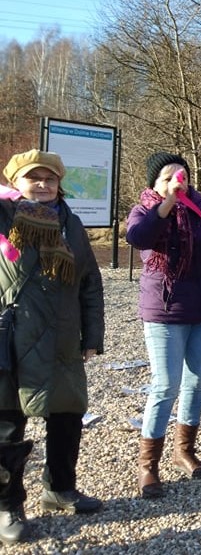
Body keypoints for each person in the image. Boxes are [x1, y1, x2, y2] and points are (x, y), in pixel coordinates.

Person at [0, 150, 104, 544]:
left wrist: (92, 337)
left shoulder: (71, 224)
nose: (42, 184)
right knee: (8, 429)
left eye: (50, 178)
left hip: (62, 338)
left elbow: (90, 283)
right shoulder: (5, 216)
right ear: (16, 182)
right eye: (33, 178)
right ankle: (7, 505)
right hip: (13, 340)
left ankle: (59, 489)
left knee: (66, 419)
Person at [127, 152, 201, 499]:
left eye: (183, 176)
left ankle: (184, 451)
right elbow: (140, 237)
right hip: (164, 309)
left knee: (197, 382)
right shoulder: (145, 210)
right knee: (165, 385)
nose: (178, 182)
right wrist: (167, 203)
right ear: (155, 184)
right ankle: (148, 465)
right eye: (168, 177)